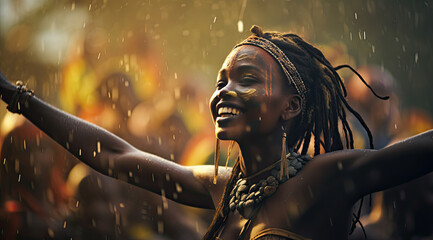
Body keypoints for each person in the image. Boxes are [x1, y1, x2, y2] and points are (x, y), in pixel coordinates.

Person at [1, 25, 432, 240]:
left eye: (246, 77)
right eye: (221, 80)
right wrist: (18, 98)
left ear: (291, 105)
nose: (225, 91)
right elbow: (114, 156)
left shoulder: (326, 178)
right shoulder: (224, 188)